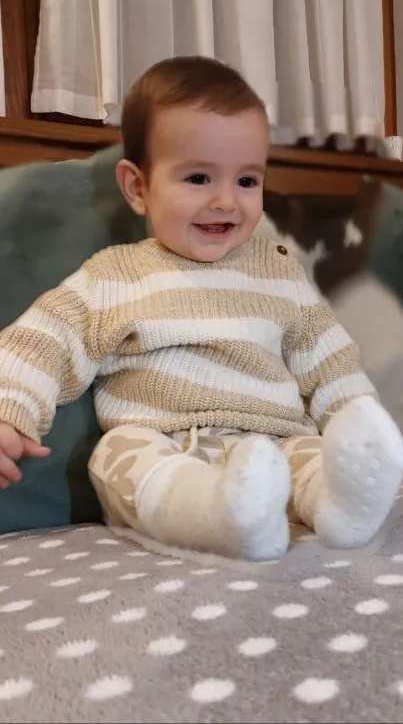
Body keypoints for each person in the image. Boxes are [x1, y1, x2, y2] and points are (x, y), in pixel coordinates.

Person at [0, 56, 401, 560]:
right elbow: (45, 339)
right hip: (163, 441)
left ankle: (340, 506)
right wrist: (9, 411)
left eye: (247, 181)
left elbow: (330, 358)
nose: (226, 202)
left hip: (274, 442)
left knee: (313, 460)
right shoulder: (114, 275)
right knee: (121, 461)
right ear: (138, 188)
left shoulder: (278, 273)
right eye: (198, 179)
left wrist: (353, 421)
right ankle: (220, 515)